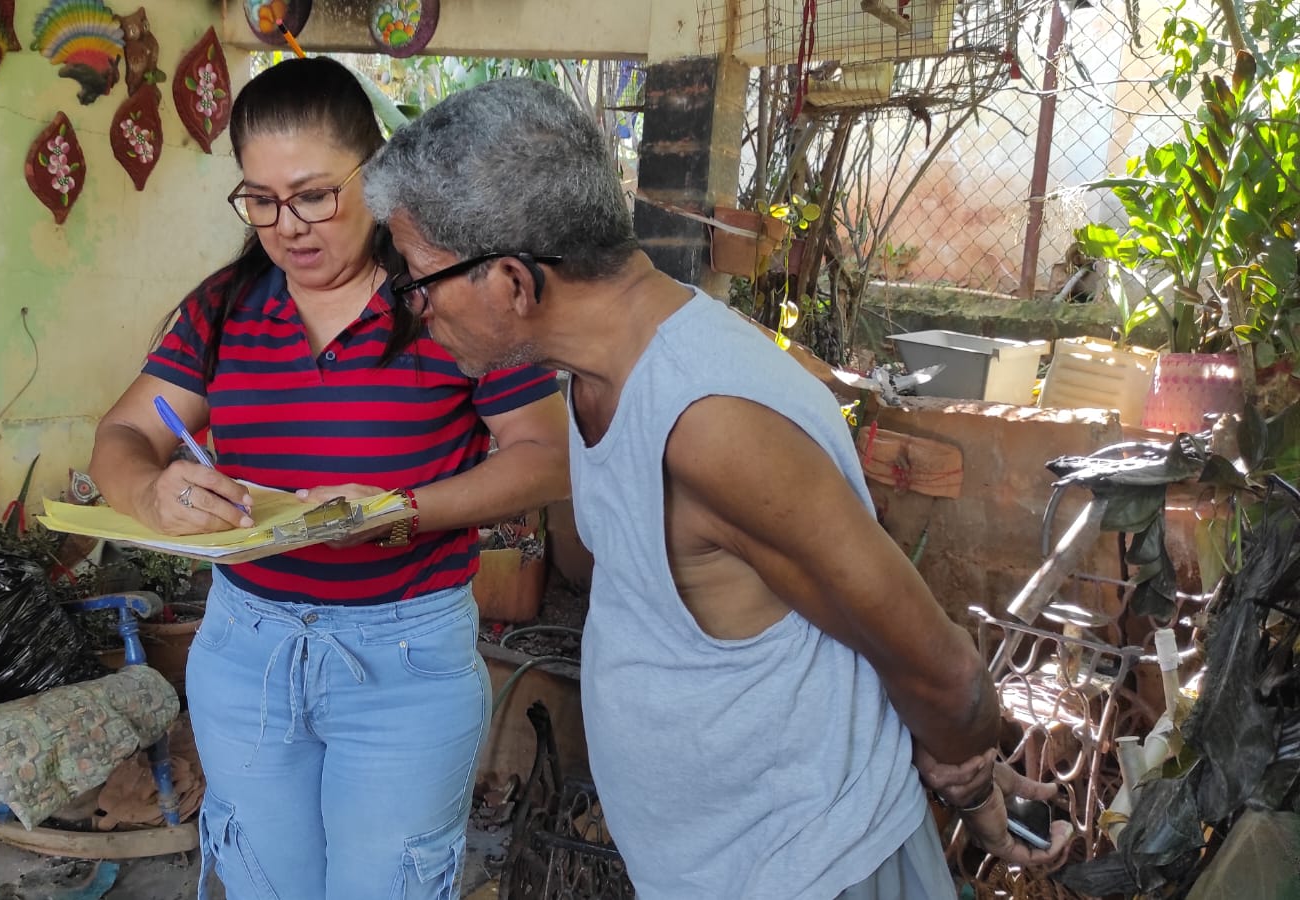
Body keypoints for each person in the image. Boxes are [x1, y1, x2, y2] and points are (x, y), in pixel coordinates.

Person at [363, 78, 1074, 898]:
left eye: (419, 281)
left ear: (513, 284)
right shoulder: (596, 375)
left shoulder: (711, 421)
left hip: (813, 873)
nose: (414, 308)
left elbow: (945, 673)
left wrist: (969, 780)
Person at [87, 58, 570, 899]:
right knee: (264, 883)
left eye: (313, 196)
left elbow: (546, 456)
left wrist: (401, 512)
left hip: (404, 660)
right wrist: (149, 492)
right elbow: (125, 434)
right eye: (261, 200)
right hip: (247, 650)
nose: (288, 227)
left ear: (375, 177)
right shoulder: (225, 306)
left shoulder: (447, 298)